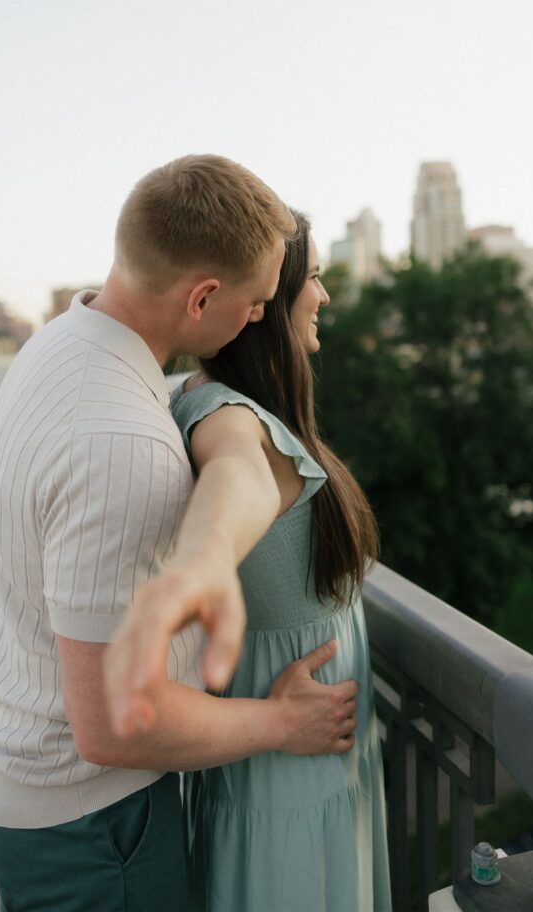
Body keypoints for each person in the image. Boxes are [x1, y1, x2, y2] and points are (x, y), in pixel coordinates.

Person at [0, 156, 359, 912]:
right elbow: (114, 724)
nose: (255, 319)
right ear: (204, 295)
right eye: (253, 302)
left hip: (26, 781)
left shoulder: (60, 343)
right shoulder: (123, 445)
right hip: (91, 827)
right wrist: (282, 721)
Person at [169, 210, 392, 911]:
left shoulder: (250, 408)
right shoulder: (228, 418)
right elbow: (234, 469)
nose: (323, 296)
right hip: (282, 788)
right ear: (267, 300)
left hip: (321, 768)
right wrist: (205, 552)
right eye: (315, 279)